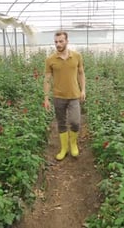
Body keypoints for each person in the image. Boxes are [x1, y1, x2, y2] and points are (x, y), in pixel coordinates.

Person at [43, 31, 86, 161]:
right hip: (58, 96)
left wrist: (83, 89)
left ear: (67, 41)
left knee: (75, 122)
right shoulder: (50, 60)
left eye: (61, 41)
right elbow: (47, 79)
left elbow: (81, 73)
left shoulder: (77, 56)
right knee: (61, 123)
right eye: (56, 42)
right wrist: (46, 98)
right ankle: (64, 148)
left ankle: (73, 144)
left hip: (74, 96)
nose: (58, 44)